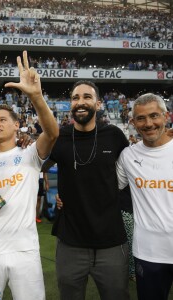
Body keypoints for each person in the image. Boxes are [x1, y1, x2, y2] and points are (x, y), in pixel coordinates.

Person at [0, 50, 59, 300]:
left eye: (2, 120)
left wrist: (36, 97)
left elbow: (52, 133)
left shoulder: (30, 154)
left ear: (16, 124)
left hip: (24, 250)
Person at [45, 80, 130, 300]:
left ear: (99, 103)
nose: (80, 102)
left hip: (111, 242)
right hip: (71, 243)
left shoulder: (114, 135)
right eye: (75, 98)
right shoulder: (59, 137)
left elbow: (137, 169)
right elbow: (32, 166)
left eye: (87, 97)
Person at [116, 93, 173, 300]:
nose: (148, 123)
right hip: (149, 253)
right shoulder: (128, 156)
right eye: (141, 118)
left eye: (154, 116)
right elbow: (106, 188)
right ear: (132, 122)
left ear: (166, 117)